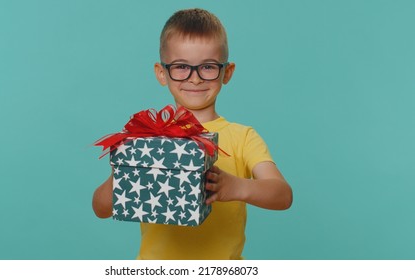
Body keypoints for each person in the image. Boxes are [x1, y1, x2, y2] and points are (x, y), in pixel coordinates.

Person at [92, 8, 293, 259]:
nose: (195, 79)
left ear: (226, 72)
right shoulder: (148, 139)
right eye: (181, 67)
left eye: (208, 67)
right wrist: (126, 172)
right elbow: (100, 208)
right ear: (161, 73)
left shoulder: (243, 137)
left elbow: (282, 195)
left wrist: (237, 187)